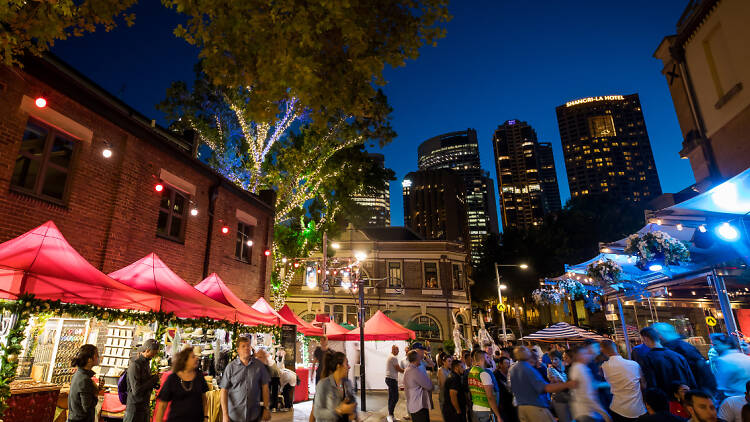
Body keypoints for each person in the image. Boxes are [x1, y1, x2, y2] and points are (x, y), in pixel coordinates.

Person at [508, 346, 577, 422]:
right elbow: (544, 388)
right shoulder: (527, 368)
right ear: (524, 354)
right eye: (527, 351)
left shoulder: (513, 369)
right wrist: (567, 384)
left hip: (521, 408)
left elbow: (511, 388)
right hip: (535, 407)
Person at [654, 323, 717, 396]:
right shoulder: (679, 347)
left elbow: (701, 369)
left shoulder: (678, 348)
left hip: (694, 393)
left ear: (660, 335)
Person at [220, 337, 271, 422]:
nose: (246, 348)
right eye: (243, 346)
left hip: (254, 415)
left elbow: (265, 388)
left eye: (248, 345)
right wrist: (225, 414)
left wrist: (266, 408)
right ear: (238, 350)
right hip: (235, 416)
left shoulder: (259, 366)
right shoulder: (231, 367)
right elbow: (223, 391)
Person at [154, 347, 209, 422]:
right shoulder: (172, 379)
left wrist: (206, 417)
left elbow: (204, 399)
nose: (196, 358)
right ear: (185, 361)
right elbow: (162, 406)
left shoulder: (199, 376)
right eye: (193, 357)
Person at [638, 327, 696, 393]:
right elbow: (691, 380)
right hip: (685, 398)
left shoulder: (648, 359)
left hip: (666, 399)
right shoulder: (678, 356)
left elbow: (651, 384)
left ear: (646, 338)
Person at [600, 340, 646, 422]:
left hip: (618, 409)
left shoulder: (604, 367)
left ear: (603, 351)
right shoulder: (634, 364)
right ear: (617, 348)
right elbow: (643, 385)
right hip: (638, 408)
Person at [569, 343, 611, 422]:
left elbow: (590, 385)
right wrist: (604, 413)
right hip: (587, 412)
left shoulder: (577, 367)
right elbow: (587, 396)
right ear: (578, 356)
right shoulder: (581, 369)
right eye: (584, 353)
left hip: (583, 412)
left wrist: (607, 384)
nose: (588, 355)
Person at [313, 351, 357, 422]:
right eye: (346, 363)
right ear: (338, 366)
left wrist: (354, 412)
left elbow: (353, 407)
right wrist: (338, 411)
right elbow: (317, 412)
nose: (349, 367)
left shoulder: (348, 383)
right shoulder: (323, 384)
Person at [125, 339, 161, 422]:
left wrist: (154, 380)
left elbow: (145, 382)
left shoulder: (146, 363)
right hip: (135, 409)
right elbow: (136, 390)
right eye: (154, 353)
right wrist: (153, 380)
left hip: (144, 406)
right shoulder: (135, 364)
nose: (154, 355)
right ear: (148, 350)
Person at [68, 344, 103, 422]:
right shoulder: (84, 379)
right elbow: (87, 407)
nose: (98, 358)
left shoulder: (79, 374)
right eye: (96, 355)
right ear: (89, 359)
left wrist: (97, 389)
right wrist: (95, 395)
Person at [711, 333, 750, 399]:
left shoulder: (722, 360)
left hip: (734, 400)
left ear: (727, 344)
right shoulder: (746, 358)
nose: (714, 348)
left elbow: (721, 386)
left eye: (716, 345)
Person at [468, 349, 503, 422]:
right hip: (486, 410)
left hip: (475, 409)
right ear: (482, 359)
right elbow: (490, 396)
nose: (489, 359)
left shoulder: (471, 372)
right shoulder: (484, 374)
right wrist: (498, 415)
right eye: (487, 357)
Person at [404, 349, 434, 422]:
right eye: (419, 357)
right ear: (416, 358)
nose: (421, 358)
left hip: (413, 403)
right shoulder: (415, 371)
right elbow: (429, 386)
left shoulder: (407, 369)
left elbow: (432, 364)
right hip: (419, 406)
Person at [547, 351, 571, 422]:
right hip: (559, 398)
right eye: (551, 359)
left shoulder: (567, 367)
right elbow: (558, 383)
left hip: (570, 397)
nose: (553, 361)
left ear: (560, 359)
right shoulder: (550, 370)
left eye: (555, 359)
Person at [494, 356, 518, 422]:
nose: (508, 365)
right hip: (502, 405)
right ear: (500, 364)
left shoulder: (510, 373)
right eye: (506, 363)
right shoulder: (496, 375)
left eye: (509, 363)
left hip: (512, 403)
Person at [385, 345, 404, 422]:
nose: (398, 351)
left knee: (391, 397)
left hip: (389, 379)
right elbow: (398, 369)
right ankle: (390, 415)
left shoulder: (391, 356)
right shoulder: (393, 357)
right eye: (397, 349)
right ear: (393, 349)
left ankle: (390, 415)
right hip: (391, 379)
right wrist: (408, 370)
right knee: (395, 398)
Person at [438, 352, 453, 421]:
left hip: (449, 396)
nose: (451, 363)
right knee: (446, 416)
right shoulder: (441, 370)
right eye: (449, 361)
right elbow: (444, 384)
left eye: (451, 361)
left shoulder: (449, 370)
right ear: (444, 362)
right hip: (444, 396)